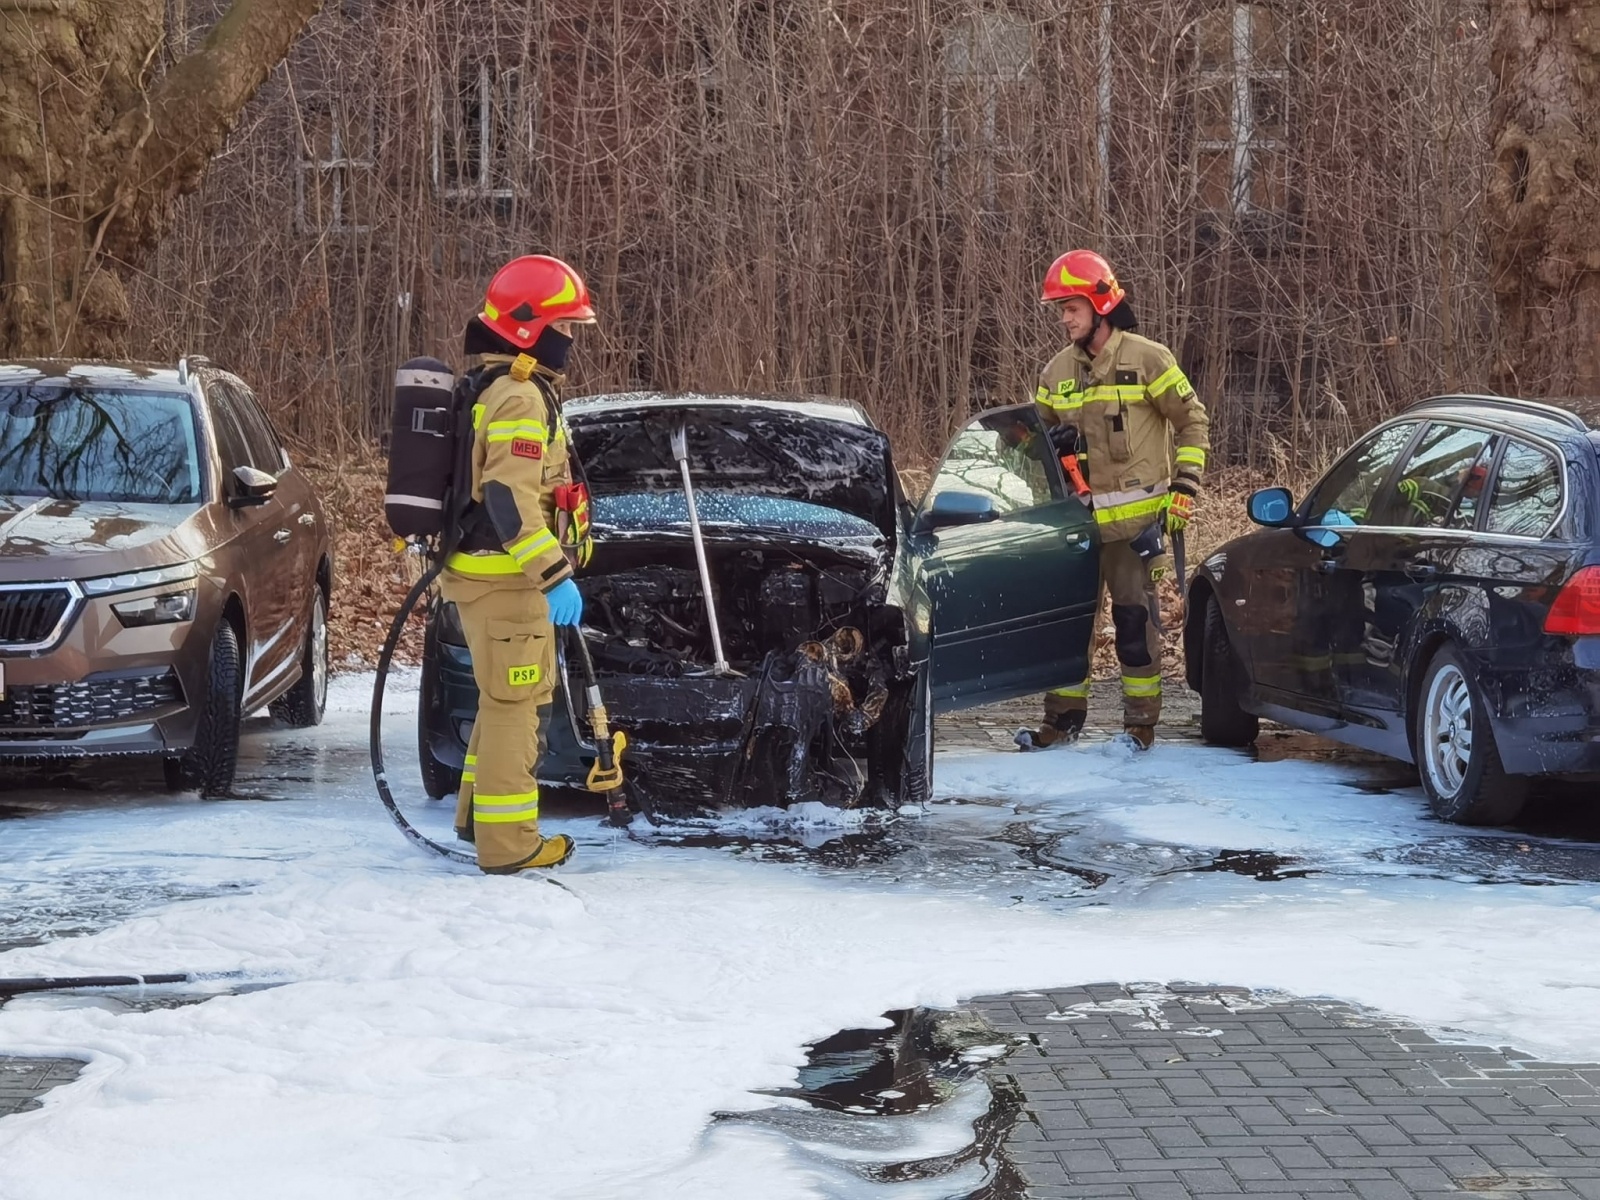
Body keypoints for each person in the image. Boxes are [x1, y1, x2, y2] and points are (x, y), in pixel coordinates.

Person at [1021, 249, 1210, 752]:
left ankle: (1140, 726)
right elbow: (1030, 443)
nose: (1064, 319)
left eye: (1071, 308)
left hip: (1134, 530)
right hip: (1076, 531)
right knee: (1069, 629)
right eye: (1061, 310)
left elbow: (1193, 421)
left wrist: (1185, 487)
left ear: (1100, 304)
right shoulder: (1056, 371)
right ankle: (1060, 722)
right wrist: (1048, 445)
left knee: (1133, 625)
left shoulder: (1149, 359)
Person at [442, 254, 595, 872]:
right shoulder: (520, 398)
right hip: (506, 582)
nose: (569, 339)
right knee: (516, 707)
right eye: (564, 326)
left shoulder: (502, 388)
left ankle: (476, 823)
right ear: (530, 327)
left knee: (498, 700)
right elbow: (508, 498)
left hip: (489, 578)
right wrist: (554, 577)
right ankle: (509, 845)